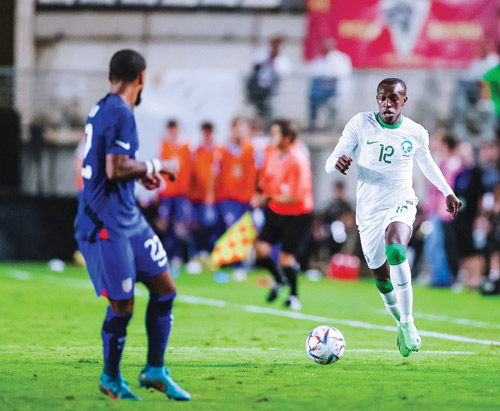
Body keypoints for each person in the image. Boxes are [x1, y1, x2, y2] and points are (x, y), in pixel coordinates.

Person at [74, 49, 190, 401]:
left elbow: (112, 163)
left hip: (129, 217)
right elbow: (115, 168)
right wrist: (159, 165)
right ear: (141, 78)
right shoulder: (120, 111)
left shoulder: (104, 107)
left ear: (112, 76)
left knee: (165, 289)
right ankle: (110, 378)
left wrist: (140, 174)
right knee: (123, 306)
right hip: (105, 223)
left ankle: (154, 370)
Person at [324, 78, 462, 357]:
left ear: (403, 101)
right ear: (377, 99)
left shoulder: (415, 132)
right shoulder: (360, 124)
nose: (387, 103)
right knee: (381, 277)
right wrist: (336, 163)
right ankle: (400, 322)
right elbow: (330, 162)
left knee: (396, 249)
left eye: (393, 98)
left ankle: (408, 322)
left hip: (401, 202)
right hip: (369, 211)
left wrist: (447, 191)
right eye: (382, 98)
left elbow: (427, 163)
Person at [253, 119, 314, 311]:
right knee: (260, 249)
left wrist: (268, 196)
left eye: (275, 133)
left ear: (287, 138)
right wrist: (260, 194)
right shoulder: (271, 153)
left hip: (297, 214)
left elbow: (294, 197)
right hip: (276, 210)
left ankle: (293, 296)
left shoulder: (298, 161)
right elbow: (265, 180)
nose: (270, 137)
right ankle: (279, 280)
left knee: (285, 258)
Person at [157, 120, 193, 266]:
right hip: (166, 193)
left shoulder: (185, 146)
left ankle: (181, 256)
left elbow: (190, 170)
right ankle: (167, 255)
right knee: (165, 224)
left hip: (181, 193)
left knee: (180, 226)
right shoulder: (163, 145)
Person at [308, 38, 352, 133]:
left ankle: (332, 128)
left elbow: (340, 74)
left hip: (334, 91)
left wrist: (326, 77)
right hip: (319, 91)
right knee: (313, 105)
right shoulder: (319, 59)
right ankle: (313, 127)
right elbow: (314, 73)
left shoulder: (340, 58)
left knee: (333, 108)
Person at [246, 36, 292, 126]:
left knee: (269, 110)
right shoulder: (263, 56)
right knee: (259, 110)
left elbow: (281, 72)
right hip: (258, 89)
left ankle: (267, 126)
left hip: (272, 90)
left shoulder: (282, 61)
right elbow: (255, 63)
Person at [189, 121, 219, 256]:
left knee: (210, 226)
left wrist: (211, 193)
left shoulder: (217, 151)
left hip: (211, 197)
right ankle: (197, 254)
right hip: (196, 195)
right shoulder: (196, 151)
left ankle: (210, 254)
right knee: (196, 226)